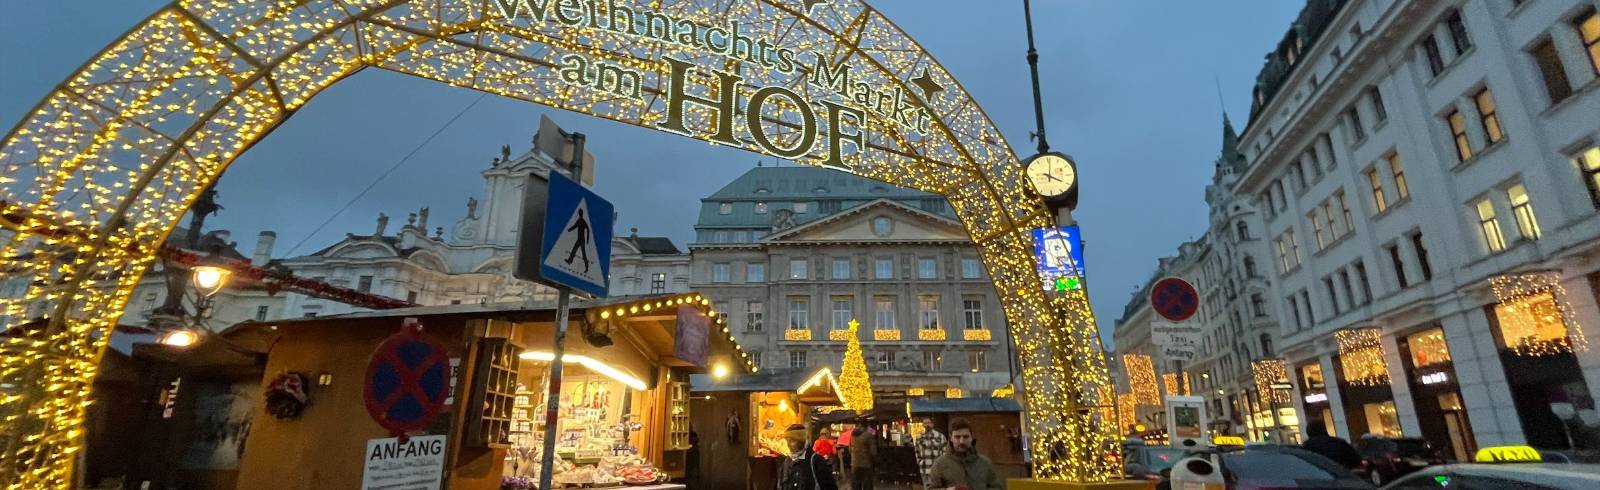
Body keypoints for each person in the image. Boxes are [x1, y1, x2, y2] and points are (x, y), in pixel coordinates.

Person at [928, 419, 1003, 490]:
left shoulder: (985, 463)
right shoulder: (940, 464)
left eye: (965, 437)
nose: (962, 441)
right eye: (957, 437)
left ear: (971, 437)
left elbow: (997, 487)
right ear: (951, 438)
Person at [779, 424, 838, 490]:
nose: (788, 445)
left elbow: (830, 487)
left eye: (792, 441)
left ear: (801, 441)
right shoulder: (787, 462)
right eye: (787, 441)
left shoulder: (815, 460)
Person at [914, 418, 948, 489]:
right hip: (924, 469)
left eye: (929, 423)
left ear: (932, 424)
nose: (927, 425)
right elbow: (917, 451)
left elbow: (945, 452)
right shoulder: (919, 437)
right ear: (923, 425)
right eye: (925, 423)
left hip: (937, 469)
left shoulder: (940, 436)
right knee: (927, 488)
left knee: (938, 488)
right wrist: (920, 462)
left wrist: (941, 465)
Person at [848, 423, 877, 490]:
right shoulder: (868, 435)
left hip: (854, 464)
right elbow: (873, 452)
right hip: (866, 464)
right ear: (867, 426)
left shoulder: (852, 435)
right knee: (867, 485)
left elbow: (849, 449)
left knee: (856, 485)